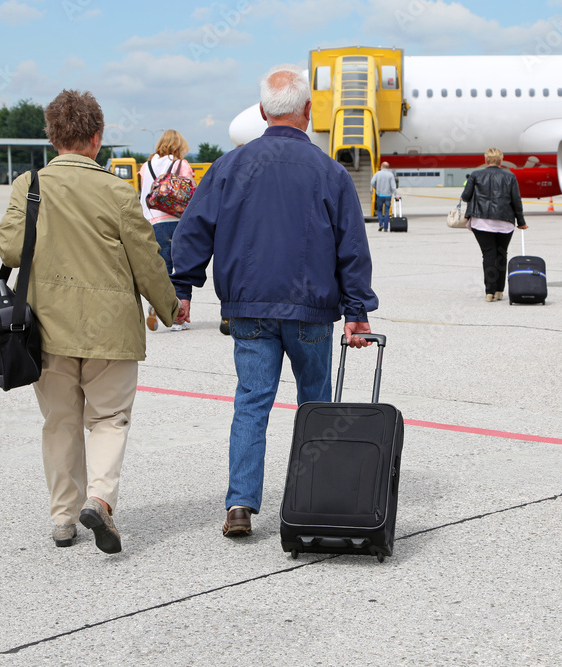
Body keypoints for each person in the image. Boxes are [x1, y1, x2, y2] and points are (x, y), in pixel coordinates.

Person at [170, 64, 379, 537]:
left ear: (264, 111)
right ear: (308, 111)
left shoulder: (228, 166)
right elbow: (351, 247)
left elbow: (193, 230)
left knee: (252, 402)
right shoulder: (330, 172)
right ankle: (315, 497)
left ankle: (240, 505)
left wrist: (183, 288)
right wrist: (356, 312)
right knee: (315, 405)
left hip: (249, 311)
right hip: (311, 311)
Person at [0, 89, 181, 554]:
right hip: (110, 331)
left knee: (59, 422)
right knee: (109, 419)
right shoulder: (118, 191)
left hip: (47, 329)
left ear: (52, 135)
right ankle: (100, 499)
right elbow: (147, 260)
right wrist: (168, 305)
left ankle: (62, 519)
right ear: (97, 137)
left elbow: (10, 251)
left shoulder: (29, 184)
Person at [140, 129, 195, 332]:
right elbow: (191, 191)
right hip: (177, 221)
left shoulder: (145, 166)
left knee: (161, 269)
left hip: (152, 222)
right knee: (179, 270)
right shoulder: (182, 164)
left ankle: (155, 304)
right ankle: (177, 318)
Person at [461, 148, 527, 302]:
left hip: (481, 221)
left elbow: (465, 196)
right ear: (501, 161)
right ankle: (499, 291)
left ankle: (489, 292)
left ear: (486, 160)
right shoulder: (510, 176)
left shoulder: (476, 175)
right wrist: (521, 222)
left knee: (488, 254)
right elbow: (516, 200)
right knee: (502, 254)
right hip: (505, 221)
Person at [370, 161, 398, 232]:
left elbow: (372, 182)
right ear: (388, 167)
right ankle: (385, 227)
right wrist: (396, 195)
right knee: (387, 211)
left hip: (379, 195)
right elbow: (393, 186)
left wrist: (376, 188)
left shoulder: (377, 174)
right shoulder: (390, 175)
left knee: (379, 210)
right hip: (388, 195)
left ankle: (380, 224)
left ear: (381, 166)